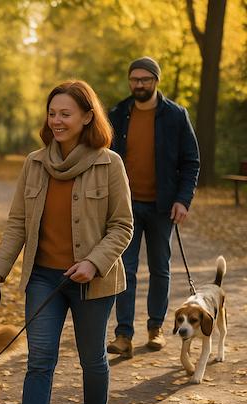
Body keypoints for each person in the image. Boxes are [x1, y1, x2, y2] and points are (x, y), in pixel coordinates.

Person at [0, 80, 133, 404]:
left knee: (92, 358)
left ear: (87, 117)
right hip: (43, 278)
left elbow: (122, 226)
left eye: (66, 113)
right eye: (53, 113)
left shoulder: (109, 163)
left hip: (92, 281)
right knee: (39, 361)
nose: (57, 120)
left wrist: (94, 263)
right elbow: (17, 224)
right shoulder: (34, 163)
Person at [106, 57, 200, 358]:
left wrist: (182, 200)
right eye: (134, 79)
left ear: (156, 81)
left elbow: (191, 162)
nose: (139, 84)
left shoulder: (175, 115)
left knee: (160, 269)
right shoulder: (118, 114)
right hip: (126, 207)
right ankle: (123, 335)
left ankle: (156, 328)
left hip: (162, 207)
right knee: (126, 269)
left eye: (145, 79)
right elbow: (103, 158)